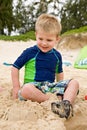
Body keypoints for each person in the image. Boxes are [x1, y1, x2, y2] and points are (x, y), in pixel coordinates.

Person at [11, 13, 79, 118]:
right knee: (26, 90)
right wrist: (16, 87)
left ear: (57, 39)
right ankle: (51, 101)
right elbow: (15, 67)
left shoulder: (57, 55)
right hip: (33, 87)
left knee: (74, 83)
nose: (44, 43)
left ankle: (66, 103)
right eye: (40, 39)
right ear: (36, 35)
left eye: (49, 40)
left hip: (50, 87)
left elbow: (59, 73)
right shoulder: (30, 52)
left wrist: (60, 87)